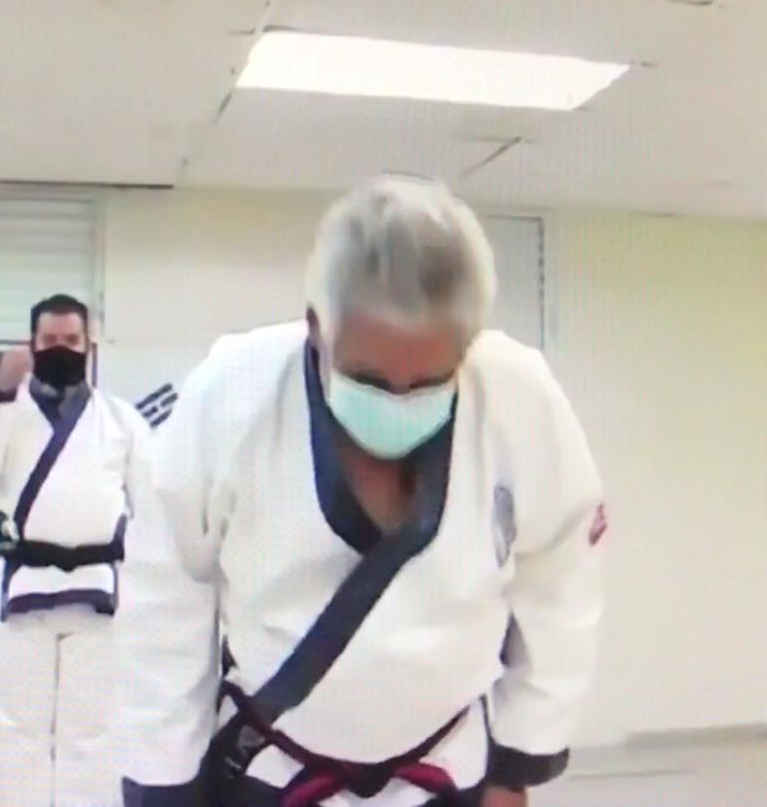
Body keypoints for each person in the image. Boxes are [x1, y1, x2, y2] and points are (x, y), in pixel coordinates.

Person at [118, 176, 605, 806]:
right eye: (369, 379)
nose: (398, 401)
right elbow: (167, 593)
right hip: (274, 767)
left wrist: (517, 765)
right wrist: (164, 783)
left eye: (428, 382)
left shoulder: (519, 398)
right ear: (316, 326)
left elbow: (559, 585)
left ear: (467, 346)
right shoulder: (232, 392)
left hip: (445, 765)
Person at [0, 294, 151, 806]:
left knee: (93, 729)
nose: (61, 349)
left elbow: (150, 507)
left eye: (71, 340)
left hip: (98, 591)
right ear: (32, 344)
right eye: (50, 340)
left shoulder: (120, 420)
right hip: (22, 585)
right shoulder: (6, 409)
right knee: (17, 727)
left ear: (89, 345)